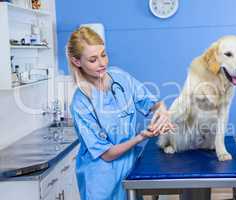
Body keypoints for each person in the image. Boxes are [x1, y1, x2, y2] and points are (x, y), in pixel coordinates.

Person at [67, 26, 173, 200]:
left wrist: (162, 112)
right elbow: (107, 154)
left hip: (129, 169)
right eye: (93, 60)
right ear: (77, 62)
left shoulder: (120, 77)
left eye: (103, 55)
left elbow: (152, 103)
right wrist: (141, 137)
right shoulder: (81, 103)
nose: (102, 63)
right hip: (100, 178)